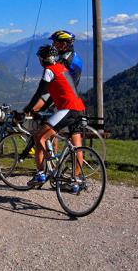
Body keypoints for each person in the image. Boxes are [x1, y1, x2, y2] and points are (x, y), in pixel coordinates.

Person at [23, 45, 85, 190]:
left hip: (67, 109)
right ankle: (75, 181)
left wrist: (27, 109)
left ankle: (41, 173)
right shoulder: (62, 68)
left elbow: (39, 93)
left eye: (40, 58)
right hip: (79, 109)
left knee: (39, 137)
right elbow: (53, 94)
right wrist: (43, 109)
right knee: (77, 147)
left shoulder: (49, 71)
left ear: (43, 59)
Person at [32, 30, 83, 112]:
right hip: (62, 94)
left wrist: (44, 107)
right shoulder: (69, 55)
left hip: (61, 96)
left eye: (55, 42)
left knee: (33, 110)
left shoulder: (65, 60)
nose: (53, 45)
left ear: (64, 44)